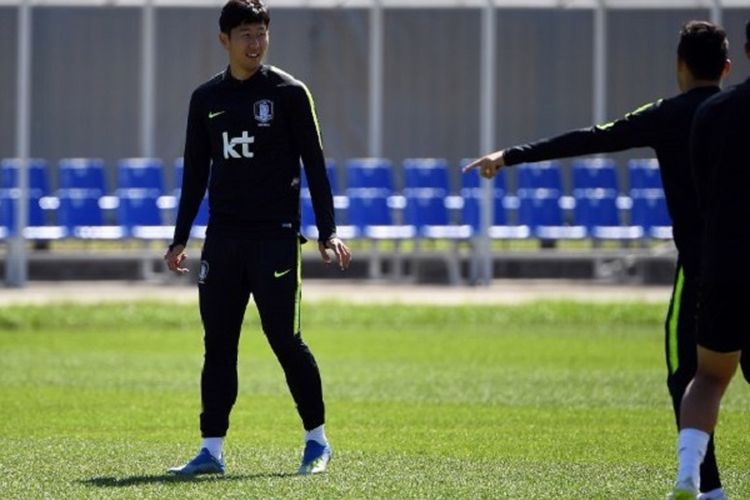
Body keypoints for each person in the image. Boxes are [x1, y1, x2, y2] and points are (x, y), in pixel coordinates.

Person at [464, 21, 740, 500]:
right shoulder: (733, 114)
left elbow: (591, 138)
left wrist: (510, 155)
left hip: (702, 269)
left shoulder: (668, 115)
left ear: (679, 65)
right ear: (727, 67)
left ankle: (705, 487)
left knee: (688, 376)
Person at [164, 0, 351, 476]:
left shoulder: (289, 93)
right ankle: (211, 451)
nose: (255, 43)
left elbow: (316, 166)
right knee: (218, 344)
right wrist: (179, 237)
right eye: (245, 33)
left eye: (261, 33)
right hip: (223, 240)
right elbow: (194, 174)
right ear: (224, 39)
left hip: (276, 238)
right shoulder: (205, 99)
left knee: (284, 339)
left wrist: (328, 231)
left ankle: (317, 441)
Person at [668, 20, 750, 500]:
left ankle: (690, 477)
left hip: (722, 266)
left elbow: (703, 194)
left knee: (708, 377)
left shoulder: (714, 112)